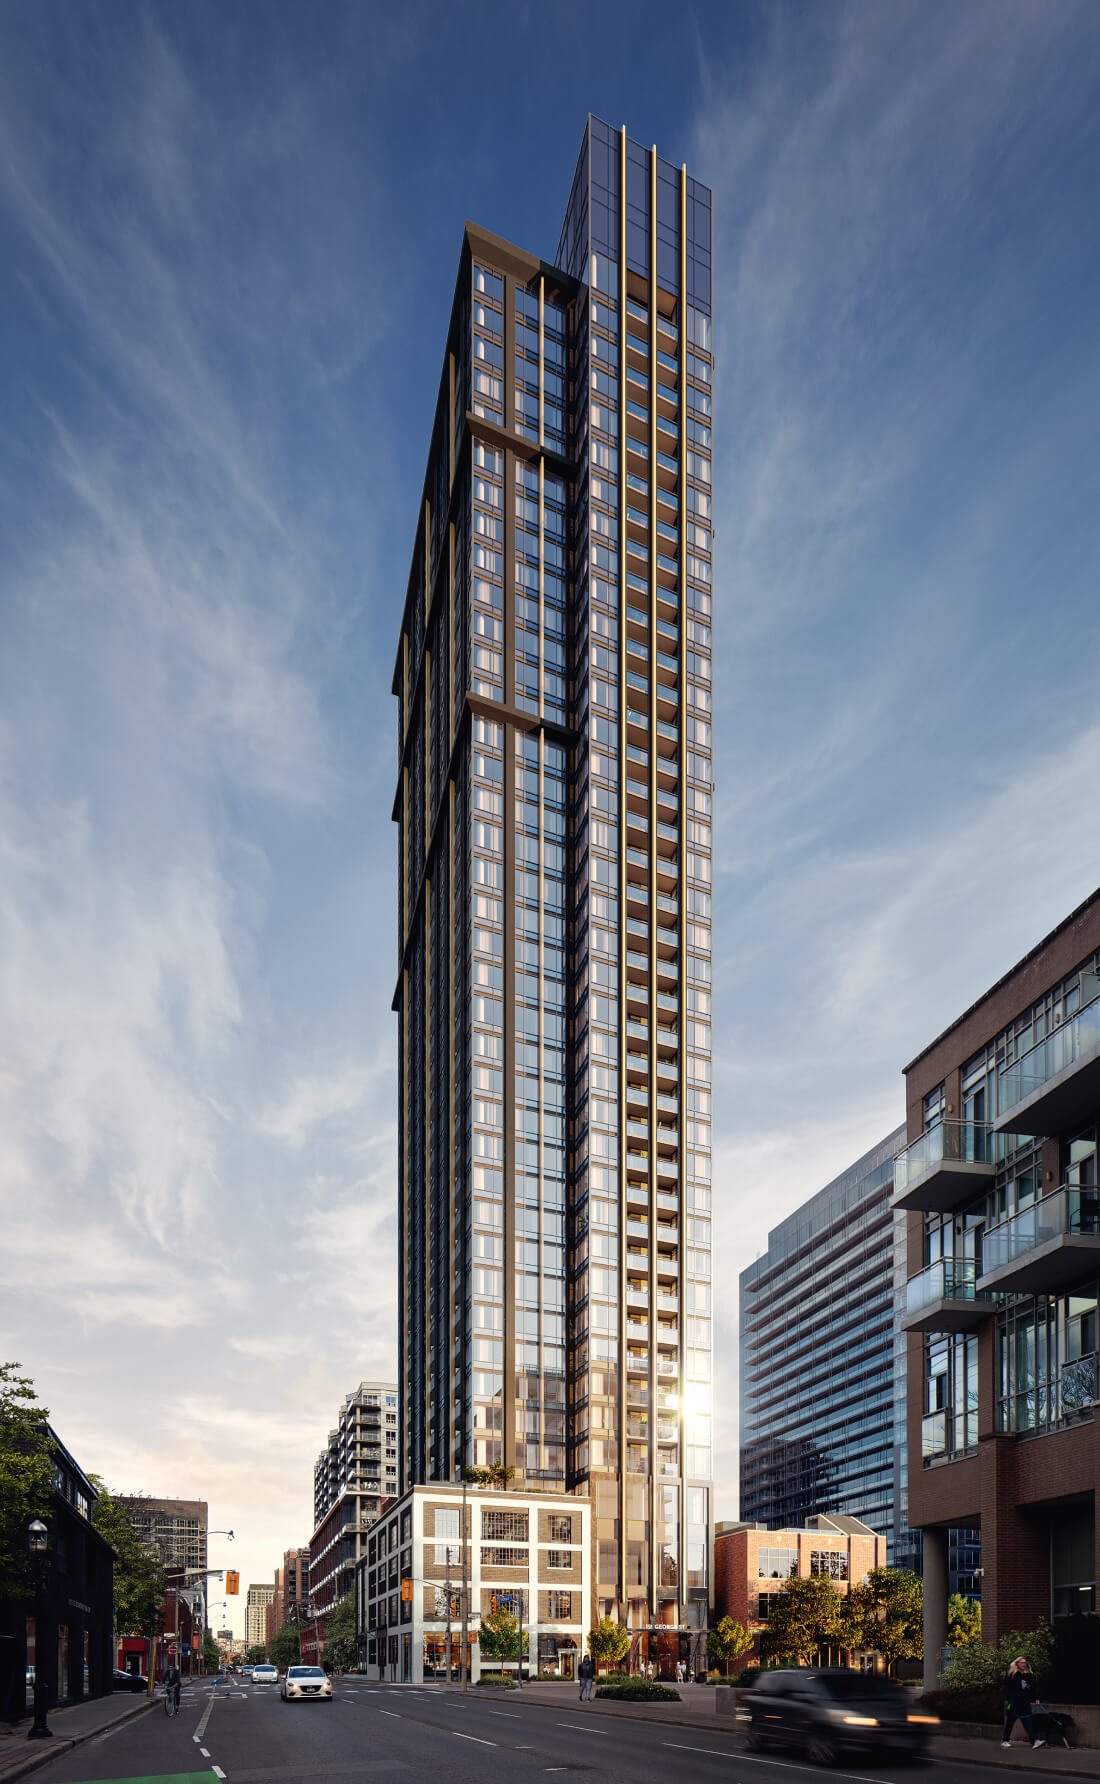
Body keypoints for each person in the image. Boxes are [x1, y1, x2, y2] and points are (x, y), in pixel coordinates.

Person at [1003, 1656, 1045, 1748]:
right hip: (1013, 1703)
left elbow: (1033, 1688)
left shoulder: (1028, 1675)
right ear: (1017, 1664)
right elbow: (1006, 1688)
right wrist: (1010, 1699)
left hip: (1024, 1703)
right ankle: (1005, 1740)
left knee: (1028, 1722)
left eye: (1025, 1662)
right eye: (1022, 1662)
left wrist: (1036, 1698)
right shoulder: (1012, 1675)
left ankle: (1034, 1741)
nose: (1024, 1664)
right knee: (1010, 1722)